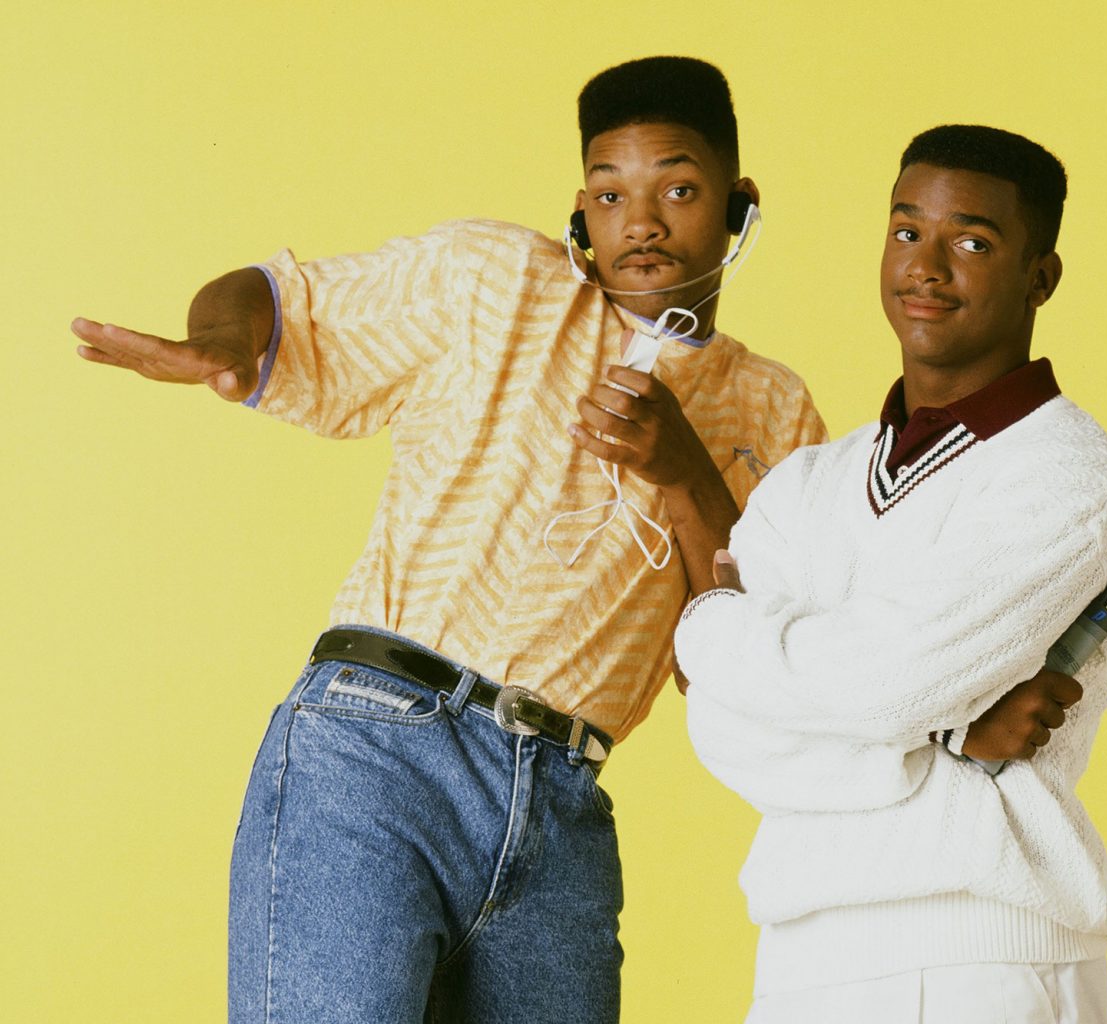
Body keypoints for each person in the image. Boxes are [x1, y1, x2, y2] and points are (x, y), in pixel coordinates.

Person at [70, 56, 830, 1024]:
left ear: (738, 203)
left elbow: (732, 662)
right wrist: (224, 340)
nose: (641, 223)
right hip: (377, 751)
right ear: (582, 211)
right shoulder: (496, 282)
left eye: (678, 190)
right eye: (610, 194)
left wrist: (682, 470)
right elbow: (273, 294)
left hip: (562, 809)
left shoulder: (776, 411)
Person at [673, 124, 1107, 1023]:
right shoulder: (806, 484)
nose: (925, 267)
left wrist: (709, 625)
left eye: (973, 243)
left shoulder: (1066, 474)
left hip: (983, 956)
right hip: (799, 961)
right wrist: (946, 736)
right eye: (906, 231)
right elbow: (720, 728)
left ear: (1041, 277)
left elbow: (884, 685)